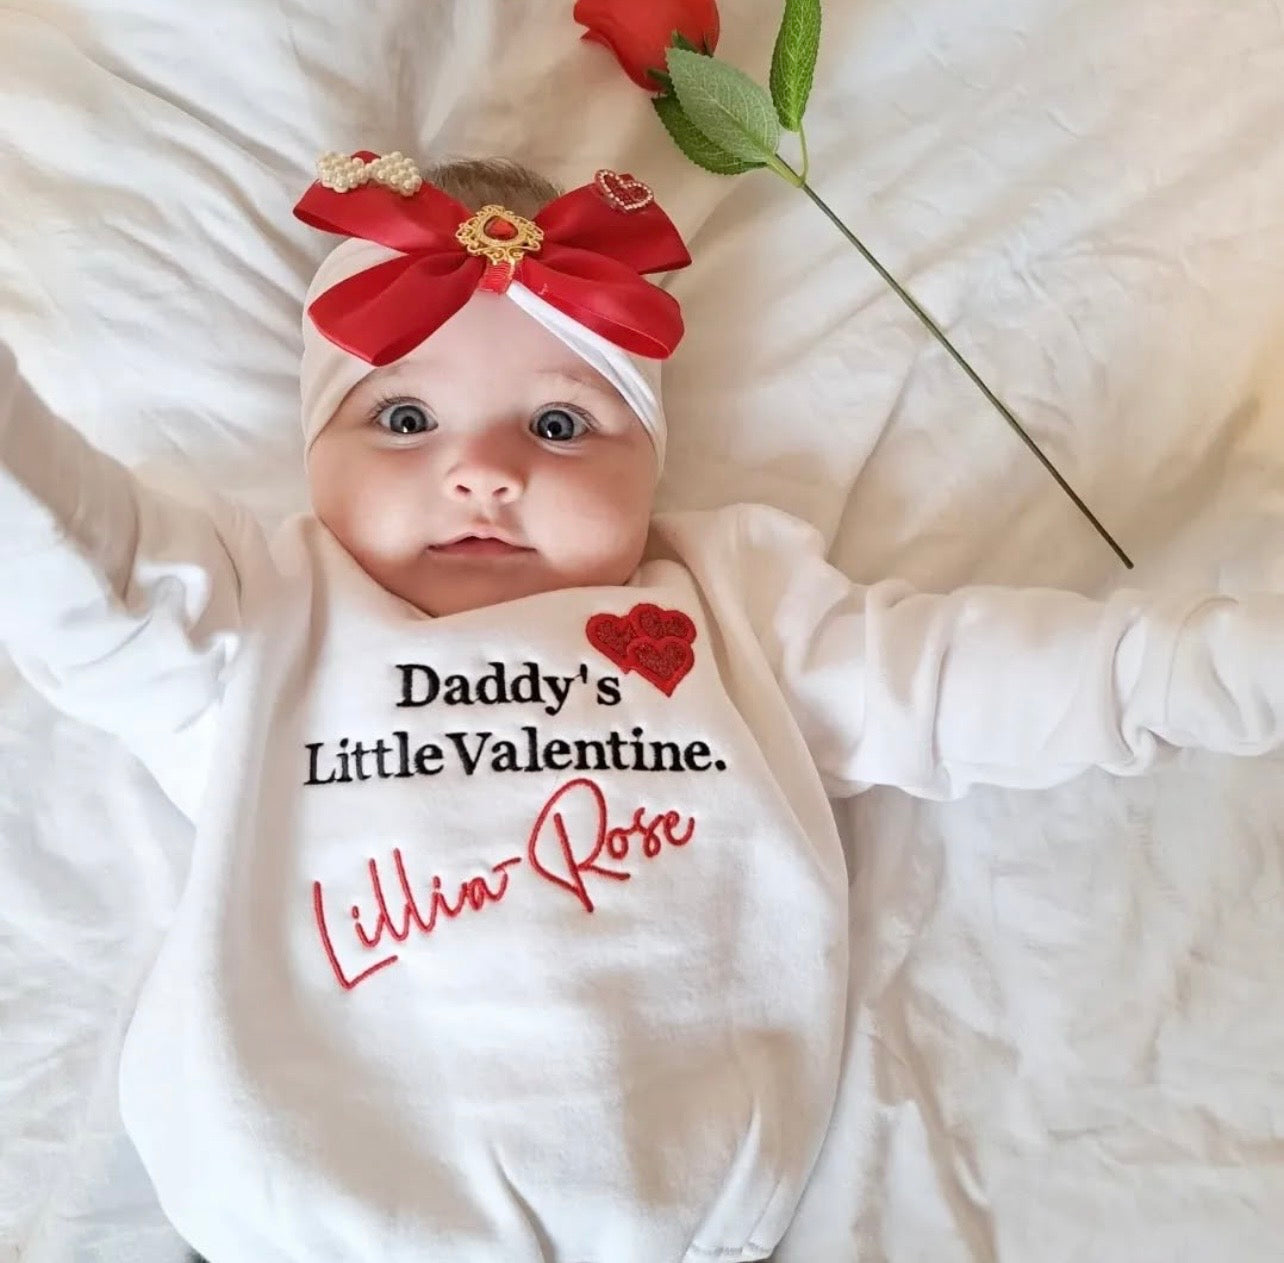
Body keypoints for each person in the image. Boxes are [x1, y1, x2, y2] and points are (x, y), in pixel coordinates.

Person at [2, 151, 1282, 1263]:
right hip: (309, 1189)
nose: (486, 471)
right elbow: (79, 560)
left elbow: (963, 680)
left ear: (652, 457)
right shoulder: (259, 610)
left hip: (672, 1197)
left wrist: (1213, 669)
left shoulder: (730, 601)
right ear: (311, 452)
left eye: (561, 423)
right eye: (403, 418)